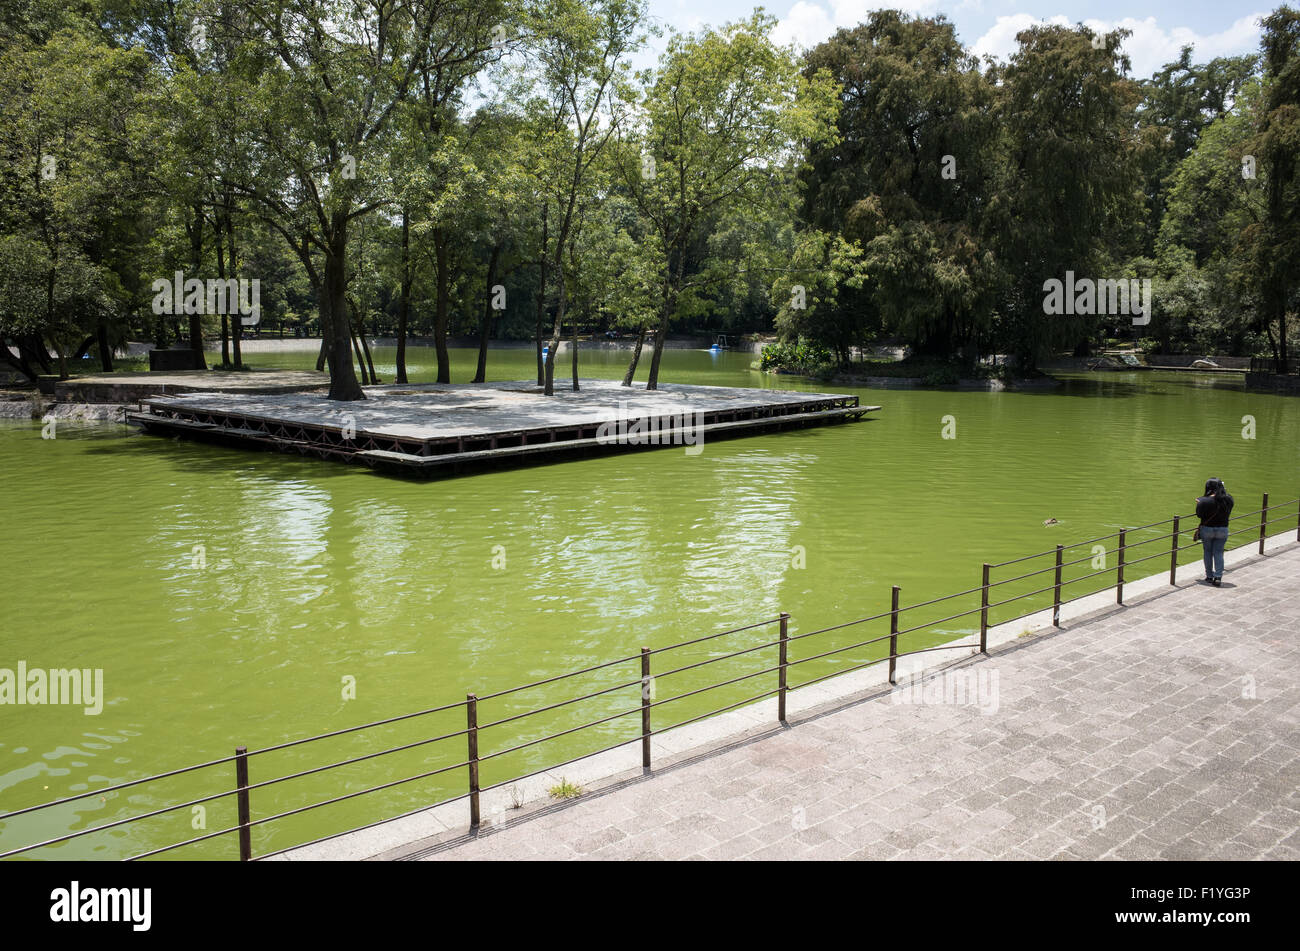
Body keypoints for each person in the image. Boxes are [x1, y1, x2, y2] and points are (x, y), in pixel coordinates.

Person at [1193, 478, 1234, 586]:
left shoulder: (1204, 501)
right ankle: (1218, 576)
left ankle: (1209, 576)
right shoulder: (1229, 499)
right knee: (1219, 553)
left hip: (1207, 529)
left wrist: (1200, 503)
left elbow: (1199, 514)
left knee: (1208, 552)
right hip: (1223, 529)